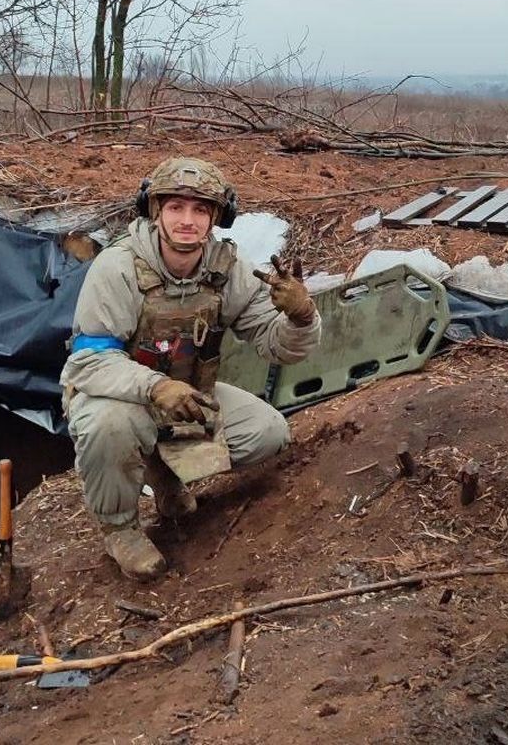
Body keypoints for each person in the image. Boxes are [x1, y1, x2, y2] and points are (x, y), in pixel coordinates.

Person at [60, 157, 321, 580]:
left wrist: (302, 317)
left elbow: (279, 348)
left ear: (216, 217)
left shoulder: (228, 270)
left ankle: (163, 476)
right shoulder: (118, 266)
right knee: (108, 427)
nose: (188, 220)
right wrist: (155, 387)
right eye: (176, 207)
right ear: (156, 211)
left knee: (268, 433)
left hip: (187, 395)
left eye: (200, 210)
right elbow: (90, 361)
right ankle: (120, 529)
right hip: (121, 398)